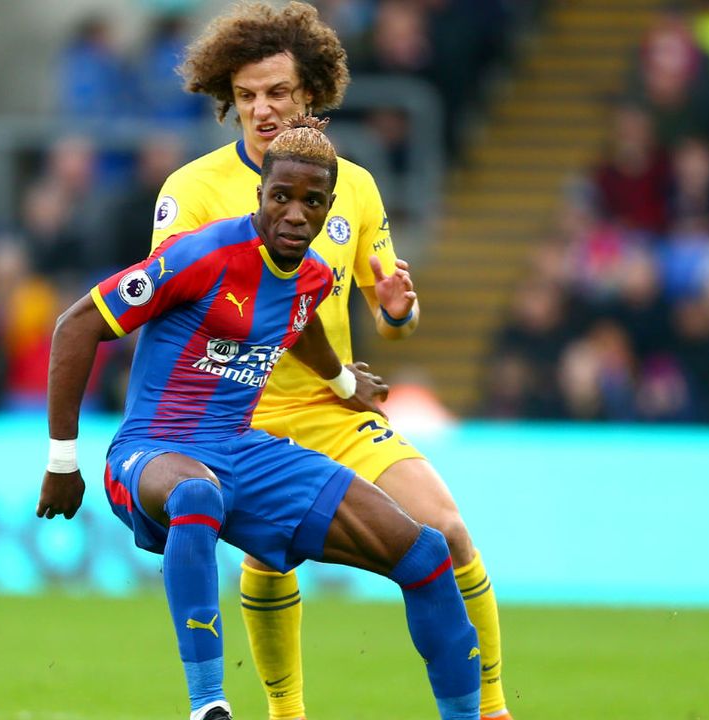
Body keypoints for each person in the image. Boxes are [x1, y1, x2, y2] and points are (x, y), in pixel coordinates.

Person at [38, 119, 481, 720]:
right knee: (197, 494)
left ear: (328, 208)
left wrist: (348, 385)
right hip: (154, 448)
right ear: (260, 196)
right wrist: (63, 462)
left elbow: (302, 331)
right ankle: (208, 706)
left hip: (241, 451)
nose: (296, 214)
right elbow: (76, 326)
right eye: (282, 197)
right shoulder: (201, 256)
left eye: (312, 202)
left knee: (425, 552)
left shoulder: (314, 278)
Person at [152, 4, 512, 718]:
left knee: (447, 529)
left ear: (310, 93)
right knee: (269, 556)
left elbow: (389, 318)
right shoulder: (191, 192)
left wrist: (399, 310)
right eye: (247, 95)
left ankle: (493, 708)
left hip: (333, 407)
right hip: (235, 414)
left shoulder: (357, 186)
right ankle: (288, 714)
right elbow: (168, 310)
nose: (261, 108)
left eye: (277, 92)